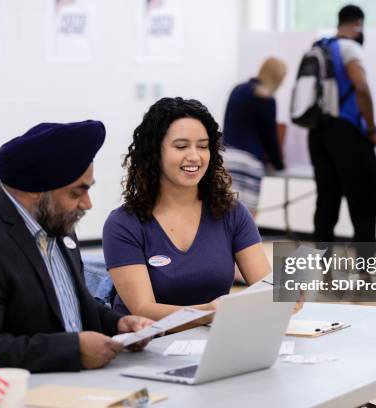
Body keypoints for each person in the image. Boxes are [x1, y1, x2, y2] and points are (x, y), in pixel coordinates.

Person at [0, 120, 153, 386]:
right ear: (37, 190)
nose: (87, 203)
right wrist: (73, 350)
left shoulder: (57, 224)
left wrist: (118, 325)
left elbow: (68, 304)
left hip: (76, 385)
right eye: (77, 192)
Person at [102, 97, 274, 320]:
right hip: (147, 347)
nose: (194, 156)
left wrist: (283, 297)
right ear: (155, 152)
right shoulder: (123, 224)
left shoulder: (231, 212)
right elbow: (143, 310)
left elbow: (264, 287)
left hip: (212, 344)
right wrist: (207, 313)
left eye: (203, 146)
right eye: (181, 146)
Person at [307, 5, 376, 245]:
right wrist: (371, 129)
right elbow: (362, 88)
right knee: (363, 207)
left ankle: (324, 277)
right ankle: (365, 277)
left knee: (326, 204)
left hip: (317, 133)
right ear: (358, 23)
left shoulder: (319, 47)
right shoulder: (350, 48)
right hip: (347, 134)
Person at [222, 57, 287, 216]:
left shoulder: (237, 89)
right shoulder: (267, 99)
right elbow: (269, 138)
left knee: (225, 212)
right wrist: (279, 165)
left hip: (227, 156)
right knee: (246, 218)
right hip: (250, 161)